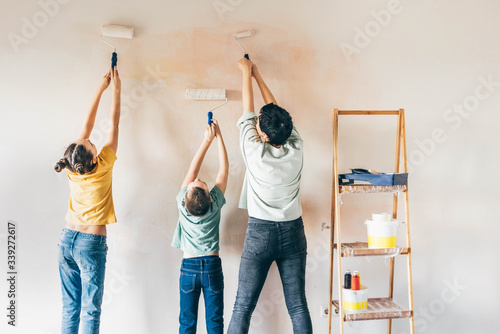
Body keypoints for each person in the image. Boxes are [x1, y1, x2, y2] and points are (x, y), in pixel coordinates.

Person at [227, 58, 313, 334]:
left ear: (262, 133)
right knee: (298, 306)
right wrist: (257, 74)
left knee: (242, 307)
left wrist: (246, 74)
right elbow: (273, 114)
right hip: (293, 233)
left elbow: (248, 112)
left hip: (260, 232)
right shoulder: (296, 146)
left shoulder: (254, 151)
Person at [54, 67, 121, 334]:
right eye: (93, 144)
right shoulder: (103, 166)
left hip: (66, 240)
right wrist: (116, 88)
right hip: (90, 244)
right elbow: (113, 123)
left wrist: (100, 87)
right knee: (90, 310)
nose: (91, 139)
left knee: (70, 307)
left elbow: (86, 127)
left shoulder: (71, 168)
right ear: (94, 159)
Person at [171, 119, 229, 334]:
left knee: (187, 324)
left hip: (189, 268)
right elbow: (224, 170)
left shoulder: (181, 204)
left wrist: (206, 141)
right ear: (211, 197)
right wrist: (219, 137)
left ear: (185, 198)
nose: (197, 177)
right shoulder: (214, 206)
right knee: (215, 323)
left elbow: (192, 169)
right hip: (213, 266)